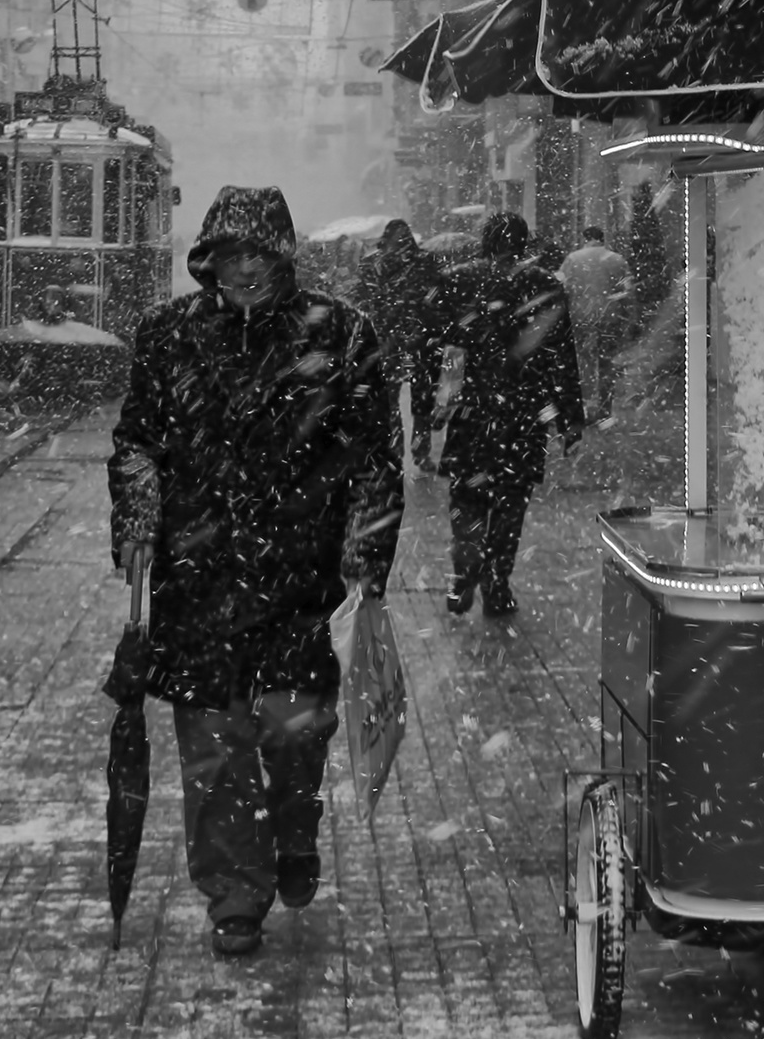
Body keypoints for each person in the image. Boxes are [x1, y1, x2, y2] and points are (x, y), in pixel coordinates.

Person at [109, 185, 401, 959]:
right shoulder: (168, 335)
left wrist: (366, 557)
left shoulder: (340, 333)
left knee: (292, 730)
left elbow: (374, 457)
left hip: (299, 584)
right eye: (229, 256)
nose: (242, 271)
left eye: (257, 257)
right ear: (208, 260)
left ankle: (295, 827)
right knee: (214, 750)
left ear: (282, 258)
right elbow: (137, 442)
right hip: (197, 585)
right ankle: (235, 895)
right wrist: (137, 515)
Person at [431, 211, 583, 617]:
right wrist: (570, 417)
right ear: (523, 242)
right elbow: (562, 357)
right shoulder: (545, 285)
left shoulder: (460, 281)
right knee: (511, 503)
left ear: (486, 240)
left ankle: (464, 573)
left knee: (467, 497)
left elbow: (448, 349)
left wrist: (441, 402)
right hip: (524, 411)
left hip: (473, 410)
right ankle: (497, 583)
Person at [360, 219, 445, 469]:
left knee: (413, 397)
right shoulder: (375, 265)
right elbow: (369, 300)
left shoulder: (419, 262)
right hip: (399, 341)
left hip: (408, 341)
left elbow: (433, 296)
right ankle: (403, 448)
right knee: (398, 397)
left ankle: (411, 449)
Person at [557, 225, 632, 421]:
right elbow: (627, 290)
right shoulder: (617, 259)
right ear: (602, 239)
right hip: (609, 317)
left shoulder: (573, 259)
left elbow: (562, 285)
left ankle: (586, 405)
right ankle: (605, 408)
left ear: (585, 238)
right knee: (607, 362)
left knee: (584, 362)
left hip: (581, 316)